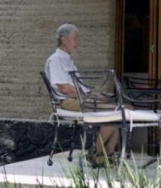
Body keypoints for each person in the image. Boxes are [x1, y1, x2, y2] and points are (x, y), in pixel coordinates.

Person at [45, 23, 119, 164]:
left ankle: (107, 155)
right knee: (115, 113)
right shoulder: (55, 60)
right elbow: (64, 89)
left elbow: (80, 87)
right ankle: (94, 153)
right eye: (75, 39)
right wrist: (87, 95)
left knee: (118, 109)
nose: (77, 43)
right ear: (63, 39)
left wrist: (97, 94)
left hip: (79, 99)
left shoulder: (68, 60)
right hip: (68, 102)